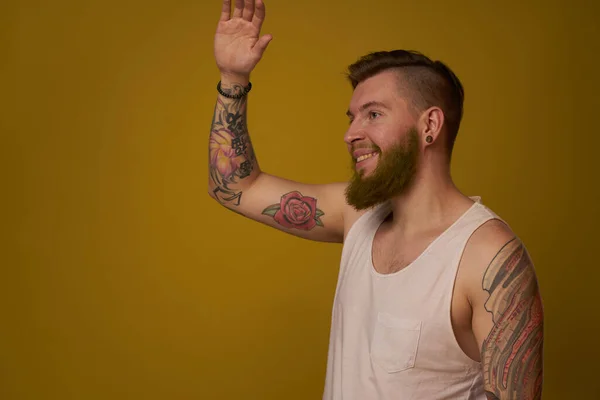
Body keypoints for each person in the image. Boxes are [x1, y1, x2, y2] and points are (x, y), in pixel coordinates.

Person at [208, 0, 544, 399]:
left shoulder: (488, 256)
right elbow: (234, 186)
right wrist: (233, 77)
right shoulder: (355, 215)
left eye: (373, 114)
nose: (351, 133)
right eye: (352, 117)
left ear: (430, 125)